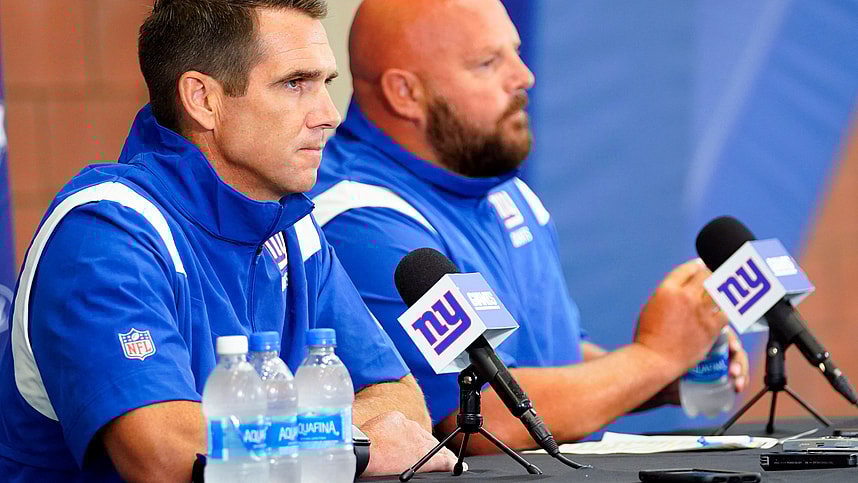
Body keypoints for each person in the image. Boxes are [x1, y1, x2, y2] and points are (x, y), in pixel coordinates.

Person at [0, 1, 457, 480]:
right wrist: (350, 446)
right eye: (295, 83)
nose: (328, 115)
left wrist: (282, 439)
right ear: (203, 100)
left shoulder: (293, 228)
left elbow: (401, 405)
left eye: (326, 84)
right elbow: (165, 452)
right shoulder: (105, 233)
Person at [308, 0, 750, 454]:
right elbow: (480, 420)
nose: (523, 76)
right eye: (487, 63)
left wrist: (665, 373)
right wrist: (655, 356)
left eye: (515, 51)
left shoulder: (502, 190)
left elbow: (556, 364)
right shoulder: (363, 221)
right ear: (406, 93)